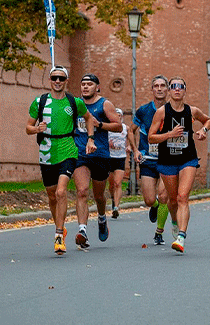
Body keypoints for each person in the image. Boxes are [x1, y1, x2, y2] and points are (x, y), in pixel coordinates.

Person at [26, 66, 95, 255]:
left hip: (68, 149)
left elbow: (89, 119)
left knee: (61, 191)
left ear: (66, 81)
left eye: (61, 78)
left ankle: (58, 236)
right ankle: (60, 225)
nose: (57, 81)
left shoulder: (74, 102)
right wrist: (37, 129)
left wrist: (90, 138)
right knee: (51, 195)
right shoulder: (39, 102)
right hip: (47, 151)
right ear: (50, 80)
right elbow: (27, 128)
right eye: (54, 78)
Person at [148, 76, 210, 254]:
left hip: (187, 159)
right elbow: (151, 137)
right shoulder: (161, 112)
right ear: (169, 90)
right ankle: (175, 223)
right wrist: (169, 134)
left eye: (180, 87)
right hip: (167, 161)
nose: (177, 89)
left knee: (183, 197)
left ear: (185, 90)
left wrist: (203, 130)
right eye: (173, 86)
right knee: (173, 199)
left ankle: (181, 236)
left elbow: (208, 120)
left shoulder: (192, 111)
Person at [72, 73, 123, 249]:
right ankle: (82, 231)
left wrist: (99, 124)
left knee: (99, 196)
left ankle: (102, 217)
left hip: (100, 154)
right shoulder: (76, 104)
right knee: (82, 191)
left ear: (97, 87)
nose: (85, 87)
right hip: (80, 152)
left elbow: (118, 126)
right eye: (83, 84)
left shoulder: (105, 104)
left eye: (89, 84)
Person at [132, 75, 173, 245]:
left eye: (163, 85)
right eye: (156, 85)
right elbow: (130, 130)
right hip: (148, 159)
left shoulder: (175, 110)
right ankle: (155, 206)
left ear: (168, 89)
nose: (159, 88)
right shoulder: (143, 110)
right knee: (149, 200)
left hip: (168, 159)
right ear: (152, 89)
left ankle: (159, 232)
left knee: (164, 196)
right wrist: (135, 150)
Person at [107, 108, 135, 219]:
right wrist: (107, 143)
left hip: (120, 157)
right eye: (115, 115)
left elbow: (131, 141)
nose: (117, 117)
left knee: (118, 183)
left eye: (119, 115)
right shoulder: (108, 128)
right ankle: (113, 199)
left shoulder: (125, 128)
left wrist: (129, 146)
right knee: (111, 184)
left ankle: (116, 208)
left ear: (121, 117)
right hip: (109, 157)